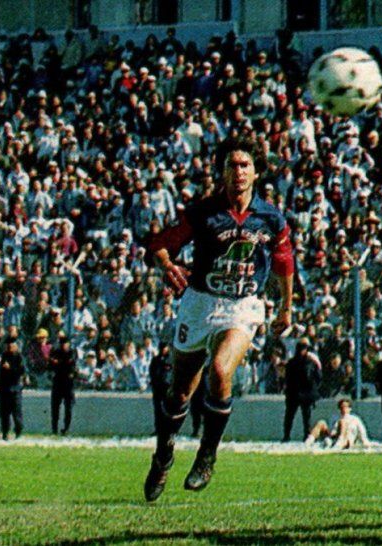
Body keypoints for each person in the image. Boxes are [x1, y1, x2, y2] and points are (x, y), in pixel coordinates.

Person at [143, 138, 294, 501]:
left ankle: (207, 454)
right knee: (179, 393)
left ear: (256, 172)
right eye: (232, 165)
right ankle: (163, 455)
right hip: (199, 303)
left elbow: (284, 262)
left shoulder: (271, 217)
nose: (238, 172)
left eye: (244, 165)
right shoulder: (204, 212)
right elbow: (160, 245)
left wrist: (287, 307)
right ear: (221, 172)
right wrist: (166, 265)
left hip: (242, 305)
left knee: (222, 372)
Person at [282, 338, 322, 442]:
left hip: (306, 393)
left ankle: (306, 436)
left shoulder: (311, 363)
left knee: (306, 416)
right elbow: (287, 378)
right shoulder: (291, 363)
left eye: (304, 349)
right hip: (293, 393)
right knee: (289, 416)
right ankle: (286, 436)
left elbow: (318, 377)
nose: (302, 351)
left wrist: (313, 390)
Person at [304, 399, 372, 449]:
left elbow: (362, 433)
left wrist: (365, 443)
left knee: (342, 422)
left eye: (345, 407)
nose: (343, 409)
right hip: (334, 436)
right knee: (321, 422)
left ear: (350, 408)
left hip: (346, 439)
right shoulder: (335, 417)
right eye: (341, 407)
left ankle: (339, 443)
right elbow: (331, 430)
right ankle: (308, 442)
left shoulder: (355, 419)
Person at [0, 337, 26, 440]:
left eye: (12, 345)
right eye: (8, 345)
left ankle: (18, 432)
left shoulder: (19, 357)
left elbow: (21, 372)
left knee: (16, 413)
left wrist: (10, 369)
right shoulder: (4, 356)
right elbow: (1, 373)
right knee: (4, 413)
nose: (9, 347)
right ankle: (5, 432)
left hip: (15, 389)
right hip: (4, 389)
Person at [49, 333, 77, 435]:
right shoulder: (56, 352)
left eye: (65, 343)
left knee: (68, 407)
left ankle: (66, 428)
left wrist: (59, 363)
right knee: (55, 407)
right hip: (58, 382)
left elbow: (71, 364)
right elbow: (52, 364)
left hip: (68, 383)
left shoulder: (72, 353)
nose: (64, 345)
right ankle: (54, 429)